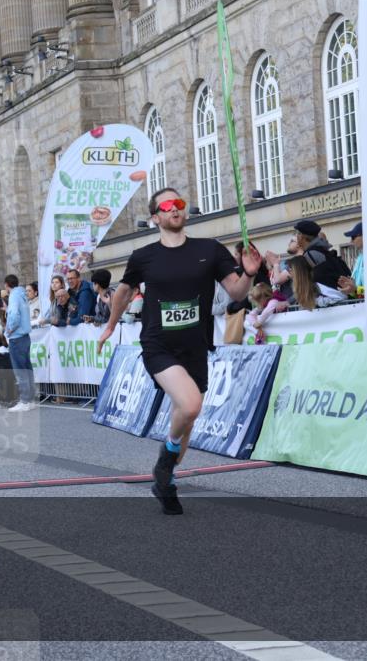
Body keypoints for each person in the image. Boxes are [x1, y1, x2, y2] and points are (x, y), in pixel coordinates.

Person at [97, 187, 261, 516]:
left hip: (195, 344)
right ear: (156, 217)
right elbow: (125, 292)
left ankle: (166, 480)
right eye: (168, 205)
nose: (176, 209)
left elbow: (236, 291)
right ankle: (166, 458)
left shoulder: (210, 250)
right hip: (158, 343)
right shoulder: (144, 255)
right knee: (190, 403)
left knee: (186, 417)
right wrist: (111, 326)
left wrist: (249, 273)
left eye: (180, 203)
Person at [3, 274, 35, 412]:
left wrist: (9, 330)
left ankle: (25, 400)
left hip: (16, 336)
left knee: (20, 370)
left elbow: (14, 315)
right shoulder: (23, 295)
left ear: (6, 285)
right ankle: (30, 399)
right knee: (27, 369)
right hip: (25, 335)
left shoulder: (14, 296)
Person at [294, 219, 352, 290]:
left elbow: (317, 279)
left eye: (297, 233)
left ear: (301, 236)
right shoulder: (322, 250)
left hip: (330, 296)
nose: (296, 236)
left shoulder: (311, 254)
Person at [338, 222, 364, 298]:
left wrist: (355, 290)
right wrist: (351, 290)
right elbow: (359, 293)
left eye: (353, 237)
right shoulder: (360, 258)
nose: (351, 241)